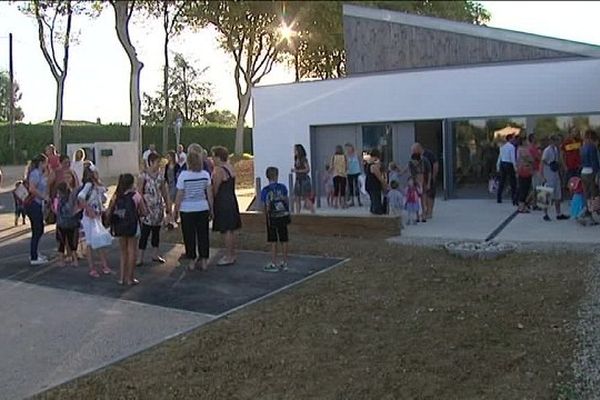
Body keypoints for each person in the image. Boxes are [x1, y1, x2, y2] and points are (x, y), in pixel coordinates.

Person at [174, 151, 213, 271]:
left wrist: (175, 210)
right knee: (203, 235)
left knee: (189, 235)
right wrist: (211, 208)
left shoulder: (183, 176)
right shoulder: (205, 175)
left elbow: (179, 195)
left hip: (187, 209)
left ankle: (191, 260)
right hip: (202, 207)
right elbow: (209, 194)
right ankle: (204, 260)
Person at [109, 173, 146, 286]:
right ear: (131, 184)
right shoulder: (136, 196)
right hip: (132, 226)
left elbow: (110, 209)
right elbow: (144, 211)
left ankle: (121, 278)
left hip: (119, 225)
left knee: (123, 252)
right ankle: (130, 278)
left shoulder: (117, 196)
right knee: (132, 251)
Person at [137, 152, 171, 266]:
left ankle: (155, 254)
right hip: (147, 207)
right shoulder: (143, 176)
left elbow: (164, 191)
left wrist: (167, 206)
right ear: (150, 162)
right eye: (156, 162)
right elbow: (139, 193)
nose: (158, 165)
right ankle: (140, 257)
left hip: (158, 207)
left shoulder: (160, 176)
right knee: (145, 232)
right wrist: (142, 207)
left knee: (156, 231)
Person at [78, 163, 112, 277]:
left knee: (100, 241)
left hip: (96, 216)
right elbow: (81, 197)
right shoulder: (88, 185)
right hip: (89, 217)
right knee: (90, 242)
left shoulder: (96, 185)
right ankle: (92, 267)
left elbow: (102, 199)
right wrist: (88, 209)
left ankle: (104, 265)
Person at [211, 146, 242, 266]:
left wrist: (212, 200)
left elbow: (215, 188)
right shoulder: (230, 167)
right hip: (231, 199)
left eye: (213, 156)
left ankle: (229, 256)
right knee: (231, 229)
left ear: (218, 157)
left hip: (223, 201)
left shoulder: (218, 170)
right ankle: (232, 254)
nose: (212, 159)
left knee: (227, 229)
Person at [260, 166, 290, 272]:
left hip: (272, 217)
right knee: (284, 238)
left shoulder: (265, 190)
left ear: (267, 177)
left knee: (273, 240)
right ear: (277, 175)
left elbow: (264, 205)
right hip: (283, 215)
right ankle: (285, 262)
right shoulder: (282, 187)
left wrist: (265, 217)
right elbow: (286, 200)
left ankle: (274, 262)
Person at [25, 154, 50, 265]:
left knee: (38, 229)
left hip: (37, 204)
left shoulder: (39, 173)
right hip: (33, 204)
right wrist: (43, 196)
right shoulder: (35, 174)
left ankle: (34, 253)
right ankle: (34, 257)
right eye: (46, 162)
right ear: (41, 163)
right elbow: (32, 189)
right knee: (37, 229)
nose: (47, 165)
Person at [53, 177, 80, 267]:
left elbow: (56, 211)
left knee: (61, 243)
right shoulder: (72, 199)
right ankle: (75, 260)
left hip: (61, 224)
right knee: (72, 243)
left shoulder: (58, 200)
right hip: (72, 223)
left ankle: (61, 261)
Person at [541, 135, 569, 221]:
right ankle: (545, 214)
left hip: (555, 173)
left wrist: (562, 166)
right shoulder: (547, 150)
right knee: (546, 193)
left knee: (557, 193)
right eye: (557, 141)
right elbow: (543, 160)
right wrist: (550, 164)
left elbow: (559, 159)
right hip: (548, 174)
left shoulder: (556, 150)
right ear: (553, 141)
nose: (559, 143)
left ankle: (558, 213)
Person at [579, 129, 599, 216]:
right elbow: (594, 161)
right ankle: (594, 210)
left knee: (586, 193)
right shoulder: (592, 147)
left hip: (583, 171)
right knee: (593, 193)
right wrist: (597, 172)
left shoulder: (583, 147)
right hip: (591, 171)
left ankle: (587, 210)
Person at [292, 144, 315, 213]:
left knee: (306, 197)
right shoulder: (296, 158)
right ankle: (298, 213)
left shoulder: (303, 159)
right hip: (298, 180)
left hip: (304, 180)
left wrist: (297, 171)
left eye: (295, 150)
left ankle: (313, 211)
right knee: (297, 197)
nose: (294, 151)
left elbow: (307, 169)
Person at [496, 134, 517, 205]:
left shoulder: (502, 147)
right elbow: (513, 158)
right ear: (510, 139)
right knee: (512, 182)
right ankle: (514, 198)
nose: (514, 140)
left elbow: (500, 156)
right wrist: (515, 167)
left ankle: (499, 197)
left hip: (502, 163)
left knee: (502, 181)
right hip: (509, 164)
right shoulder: (512, 147)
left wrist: (498, 166)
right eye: (513, 139)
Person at [365, 149, 386, 215]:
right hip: (374, 186)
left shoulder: (368, 164)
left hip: (369, 185)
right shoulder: (373, 165)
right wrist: (384, 183)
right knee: (376, 202)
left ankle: (373, 212)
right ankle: (377, 215)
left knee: (373, 202)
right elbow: (379, 176)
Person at [516, 135, 534, 213]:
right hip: (524, 170)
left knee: (526, 188)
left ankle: (523, 205)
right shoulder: (522, 149)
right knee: (523, 188)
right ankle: (521, 206)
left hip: (527, 170)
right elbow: (528, 158)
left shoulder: (523, 149)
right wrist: (531, 160)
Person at [421, 146, 439, 219]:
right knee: (423, 194)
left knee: (430, 195)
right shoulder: (417, 156)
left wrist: (433, 176)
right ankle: (425, 211)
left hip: (429, 177)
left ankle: (429, 211)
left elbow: (435, 165)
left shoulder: (429, 154)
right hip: (422, 179)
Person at [528, 134, 543, 210]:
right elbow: (538, 158)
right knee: (536, 187)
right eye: (535, 138)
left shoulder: (534, 148)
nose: (536, 139)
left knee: (536, 187)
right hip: (535, 169)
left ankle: (530, 202)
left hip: (536, 168)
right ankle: (533, 203)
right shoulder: (532, 148)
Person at [330, 145, 348, 209]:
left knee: (336, 189)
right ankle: (343, 204)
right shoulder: (344, 156)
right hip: (343, 174)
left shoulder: (333, 157)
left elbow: (331, 166)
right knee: (343, 189)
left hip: (335, 174)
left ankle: (335, 204)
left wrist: (330, 171)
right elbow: (346, 166)